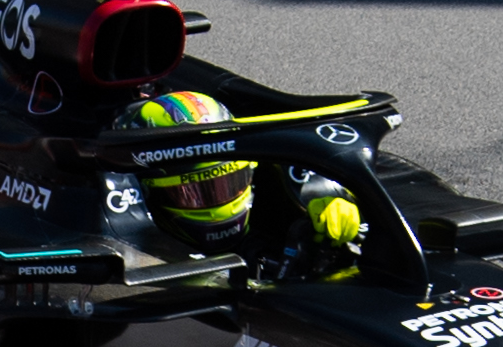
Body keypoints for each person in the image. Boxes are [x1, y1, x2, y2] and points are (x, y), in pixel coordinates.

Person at [125, 87, 359, 272]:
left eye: (229, 184)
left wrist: (337, 200)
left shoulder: (270, 208)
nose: (219, 205)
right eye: (194, 193)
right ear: (149, 191)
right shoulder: (132, 247)